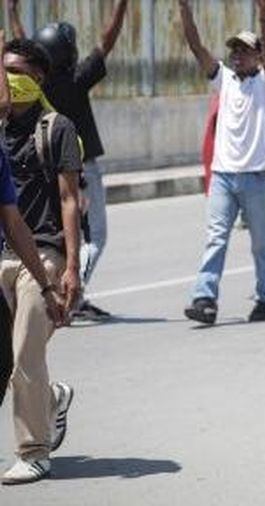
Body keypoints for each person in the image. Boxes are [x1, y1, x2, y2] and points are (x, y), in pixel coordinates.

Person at [8, 0, 128, 322]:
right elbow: (108, 41)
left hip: (41, 168)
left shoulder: (31, 85)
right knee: (95, 236)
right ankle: (71, 286)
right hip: (80, 168)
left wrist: (13, 13)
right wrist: (121, 6)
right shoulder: (77, 78)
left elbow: (27, 53)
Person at [0, 38, 81, 485]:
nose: (9, 79)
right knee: (10, 357)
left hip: (43, 255)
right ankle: (50, 399)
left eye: (17, 71)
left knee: (25, 354)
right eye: (3, 70)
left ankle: (34, 451)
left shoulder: (56, 128)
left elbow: (70, 200)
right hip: (1, 256)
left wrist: (70, 267)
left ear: (39, 78)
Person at [179, 0, 265, 324]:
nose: (237, 54)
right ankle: (205, 298)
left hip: (255, 178)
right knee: (215, 238)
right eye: (234, 49)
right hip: (223, 176)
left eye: (245, 50)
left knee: (262, 245)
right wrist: (185, 10)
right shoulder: (223, 79)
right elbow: (196, 47)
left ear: (259, 55)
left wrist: (264, 14)